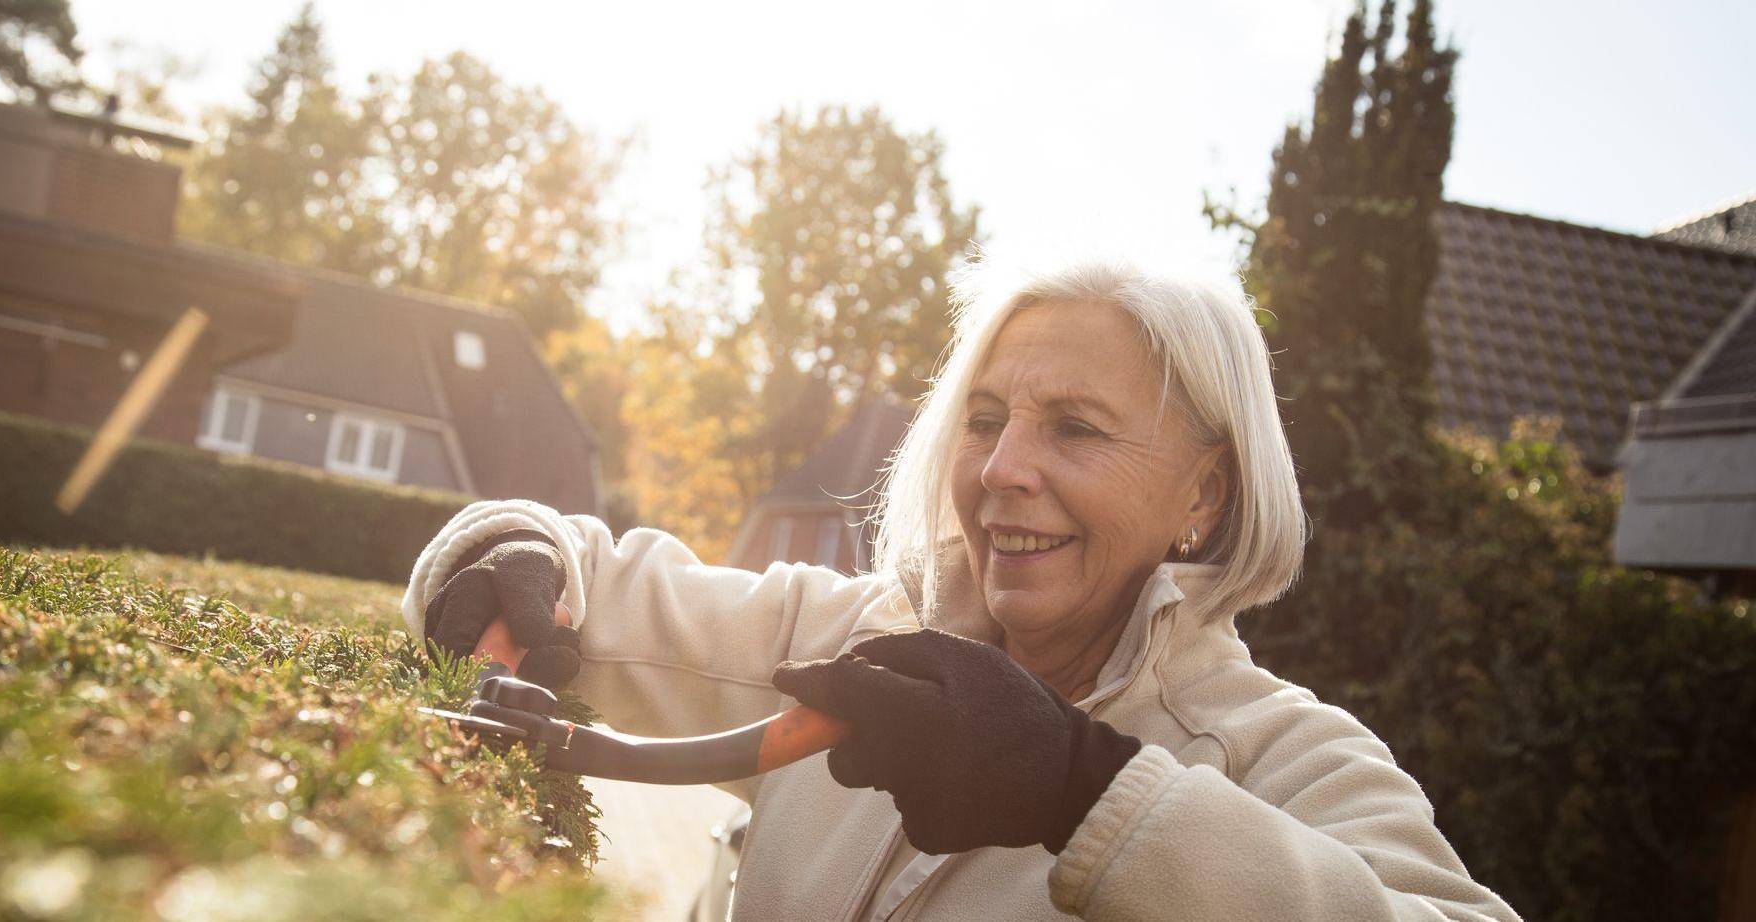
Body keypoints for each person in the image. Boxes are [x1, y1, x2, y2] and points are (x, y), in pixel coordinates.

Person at [403, 254, 1520, 920]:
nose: (998, 469)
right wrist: (506, 546)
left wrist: (1089, 796)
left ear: (1205, 494)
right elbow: (594, 584)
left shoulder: (1281, 755)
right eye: (984, 421)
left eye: (1073, 428)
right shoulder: (853, 638)